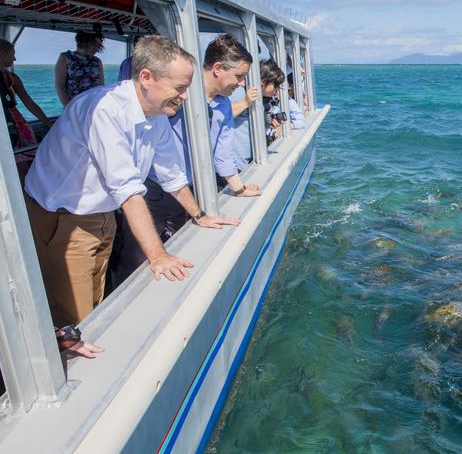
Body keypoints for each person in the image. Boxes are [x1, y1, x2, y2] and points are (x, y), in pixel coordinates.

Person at [24, 35, 239, 327]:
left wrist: (199, 215)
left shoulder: (157, 112)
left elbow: (170, 174)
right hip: (65, 218)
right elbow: (127, 190)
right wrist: (158, 255)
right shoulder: (105, 109)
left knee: (98, 298)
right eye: (180, 88)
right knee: (74, 317)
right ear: (146, 77)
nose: (185, 96)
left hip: (102, 212)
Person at [112, 34, 260, 285]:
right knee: (135, 261)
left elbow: (222, 154)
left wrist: (240, 188)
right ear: (217, 69)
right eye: (239, 76)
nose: (242, 84)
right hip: (154, 191)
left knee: (179, 253)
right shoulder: (174, 95)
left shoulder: (223, 105)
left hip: (188, 191)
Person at [0, 39, 52, 147]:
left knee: (28, 151)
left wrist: (48, 124)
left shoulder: (13, 78)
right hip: (4, 124)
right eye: (12, 54)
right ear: (2, 53)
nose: (15, 58)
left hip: (17, 122)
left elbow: (29, 103)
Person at [54, 30, 105, 106]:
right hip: (74, 106)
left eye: (98, 46)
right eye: (94, 45)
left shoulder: (97, 61)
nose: (96, 49)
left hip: (94, 106)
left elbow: (101, 87)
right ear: (83, 42)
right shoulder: (66, 58)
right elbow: (60, 87)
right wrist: (69, 108)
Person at [259, 59, 286, 144]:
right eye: (276, 85)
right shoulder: (248, 99)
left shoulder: (268, 101)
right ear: (263, 81)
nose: (277, 89)